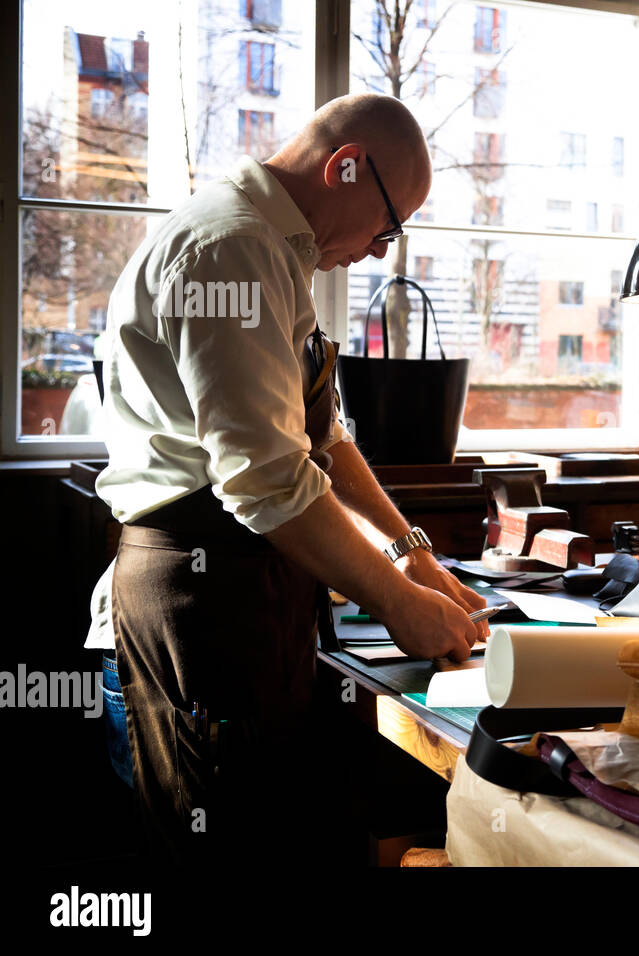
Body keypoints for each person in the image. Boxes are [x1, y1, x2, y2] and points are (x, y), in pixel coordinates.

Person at [85, 93, 488, 865]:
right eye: (389, 224)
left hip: (242, 607)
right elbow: (268, 480)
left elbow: (321, 437)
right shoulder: (231, 247)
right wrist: (399, 602)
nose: (378, 251)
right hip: (192, 615)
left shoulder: (271, 247)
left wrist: (412, 552)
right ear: (345, 167)